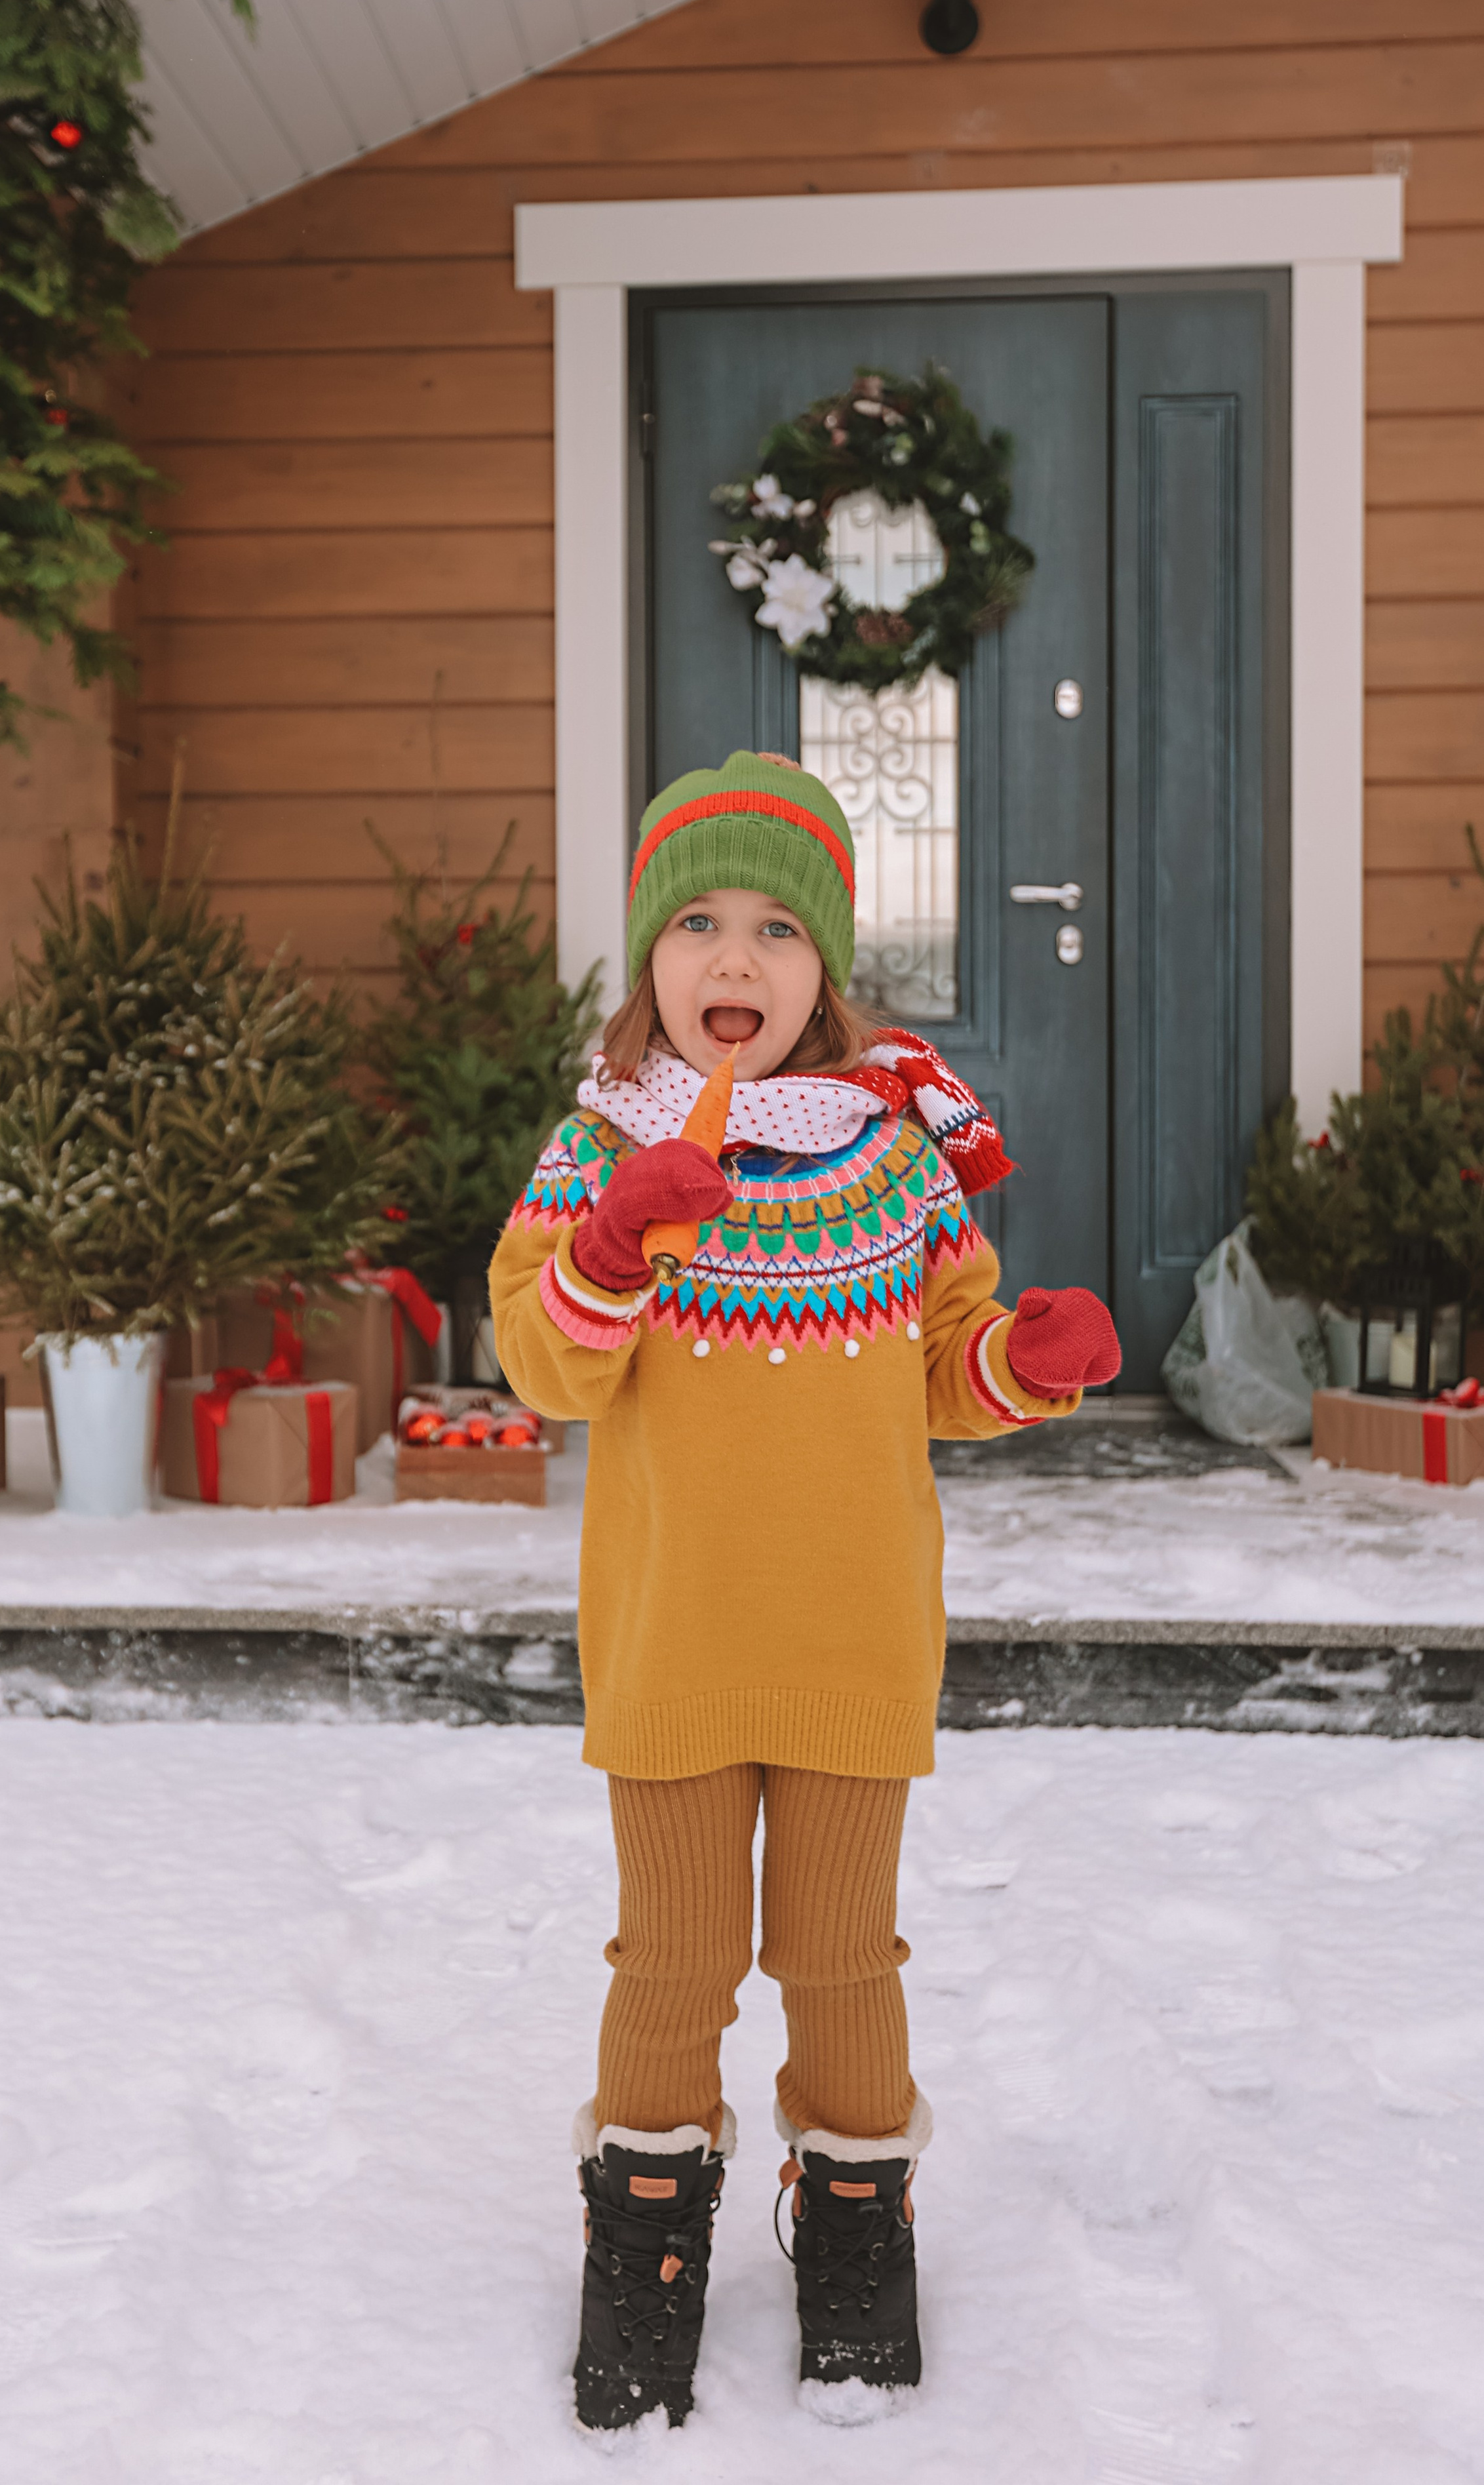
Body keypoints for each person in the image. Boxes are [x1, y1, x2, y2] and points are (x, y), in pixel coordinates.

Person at [488, 750, 1120, 2432]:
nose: (734, 962)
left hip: (849, 1641)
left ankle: (854, 2224)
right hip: (673, 1642)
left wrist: (1024, 1364)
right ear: (647, 963)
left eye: (778, 929)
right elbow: (545, 1364)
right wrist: (614, 1250)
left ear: (825, 971)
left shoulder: (889, 1159)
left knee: (843, 1957)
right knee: (673, 1961)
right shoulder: (592, 1152)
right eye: (695, 923)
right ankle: (643, 2239)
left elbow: (940, 1369)